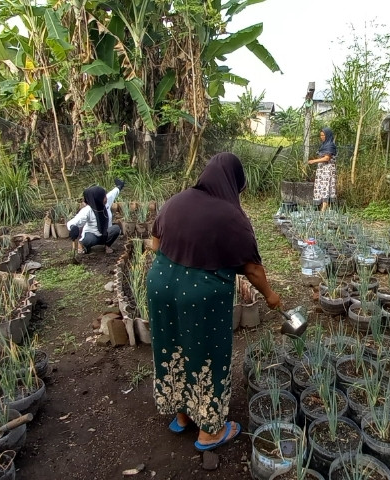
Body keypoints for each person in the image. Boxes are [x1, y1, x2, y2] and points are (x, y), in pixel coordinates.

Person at [147, 152, 282, 452]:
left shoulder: (177, 200)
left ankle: (182, 416)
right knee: (207, 353)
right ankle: (209, 431)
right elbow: (252, 269)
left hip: (160, 284)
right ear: (234, 183)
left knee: (174, 347)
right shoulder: (231, 216)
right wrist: (271, 297)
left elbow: (155, 243)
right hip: (199, 294)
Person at [67, 179, 124, 254]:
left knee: (116, 229)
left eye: (105, 196)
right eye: (103, 197)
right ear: (97, 199)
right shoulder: (88, 210)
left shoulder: (105, 203)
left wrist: (119, 186)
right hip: (92, 235)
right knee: (89, 240)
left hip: (105, 233)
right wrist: (73, 227)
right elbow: (72, 222)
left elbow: (113, 194)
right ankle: (82, 245)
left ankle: (107, 246)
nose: (106, 198)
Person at [307, 127, 337, 211]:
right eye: (321, 135)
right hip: (322, 170)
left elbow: (327, 158)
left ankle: (324, 209)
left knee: (326, 186)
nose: (322, 137)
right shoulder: (324, 145)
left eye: (323, 135)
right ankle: (324, 207)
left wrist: (313, 161)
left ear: (328, 135)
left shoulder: (330, 145)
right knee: (320, 187)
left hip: (327, 170)